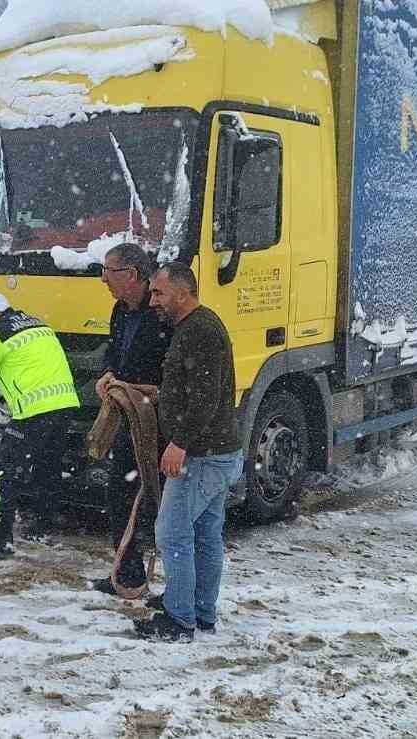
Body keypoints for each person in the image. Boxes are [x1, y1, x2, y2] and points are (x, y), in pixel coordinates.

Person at [134, 263, 244, 642]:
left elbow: (205, 397)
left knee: (172, 533)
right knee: (204, 532)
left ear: (183, 293)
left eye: (159, 293)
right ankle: (200, 612)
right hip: (214, 450)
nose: (153, 301)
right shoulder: (193, 328)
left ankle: (179, 621)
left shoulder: (201, 331)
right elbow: (192, 390)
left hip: (201, 454)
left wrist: (179, 443)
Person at [0, 290, 81, 559]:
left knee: (4, 469)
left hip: (34, 410)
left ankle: (0, 536)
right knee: (47, 466)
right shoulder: (38, 324)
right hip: (64, 404)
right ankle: (44, 523)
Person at [90, 243, 174, 598]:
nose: (104, 280)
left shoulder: (161, 314)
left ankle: (175, 587)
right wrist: (109, 373)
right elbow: (114, 349)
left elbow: (174, 366)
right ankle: (126, 575)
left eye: (110, 272)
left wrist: (149, 389)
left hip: (158, 418)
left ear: (133, 275)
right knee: (119, 493)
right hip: (128, 414)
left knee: (157, 500)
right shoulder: (119, 310)